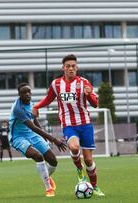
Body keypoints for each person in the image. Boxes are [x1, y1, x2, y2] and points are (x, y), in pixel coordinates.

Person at [32, 54, 105, 196]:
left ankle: (94, 186)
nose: (71, 68)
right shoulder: (56, 84)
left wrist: (89, 95)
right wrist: (37, 106)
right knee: (73, 146)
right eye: (68, 66)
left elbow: (95, 104)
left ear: (77, 68)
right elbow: (48, 99)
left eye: (73, 66)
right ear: (63, 68)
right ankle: (79, 171)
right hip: (68, 125)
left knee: (89, 160)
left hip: (85, 124)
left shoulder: (84, 82)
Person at [9, 83, 67, 197]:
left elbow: (35, 121)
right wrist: (54, 139)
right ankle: (49, 189)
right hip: (18, 137)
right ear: (19, 95)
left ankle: (46, 176)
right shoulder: (17, 109)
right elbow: (32, 127)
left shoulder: (32, 104)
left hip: (32, 135)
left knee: (53, 161)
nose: (27, 94)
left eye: (29, 91)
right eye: (24, 92)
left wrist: (45, 137)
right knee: (38, 156)